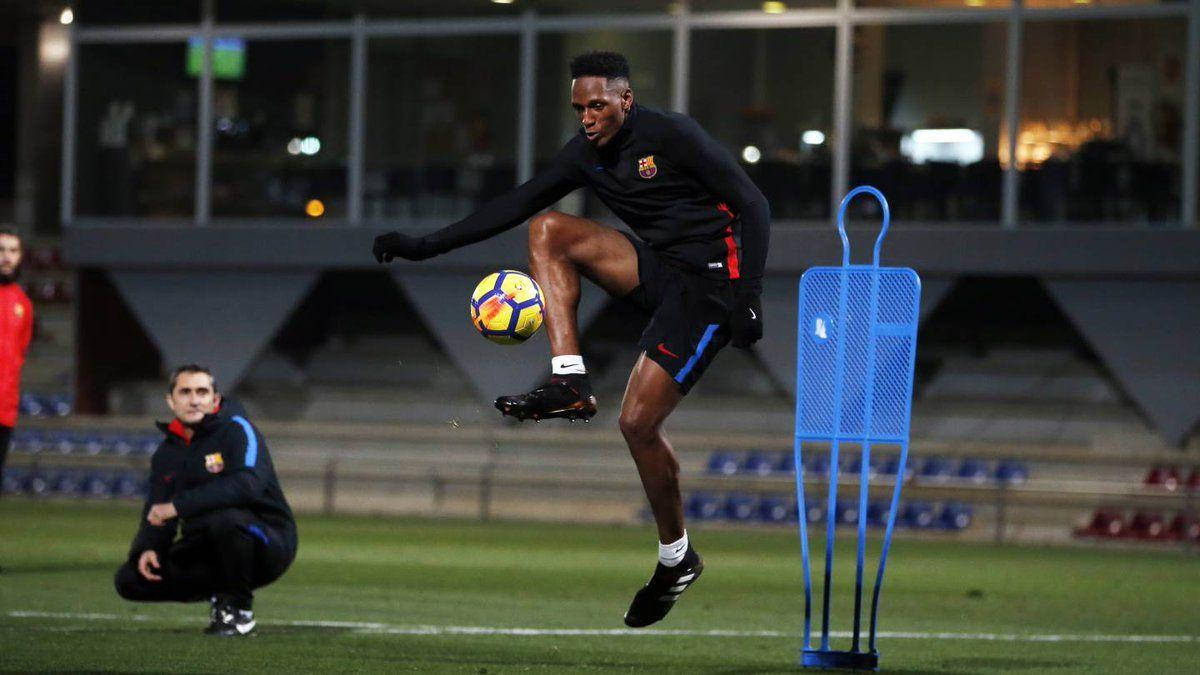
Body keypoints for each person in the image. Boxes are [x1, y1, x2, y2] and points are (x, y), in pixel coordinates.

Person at [372, 51, 769, 627]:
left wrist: (748, 295)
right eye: (579, 107)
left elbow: (753, 203)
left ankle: (676, 559)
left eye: (598, 105)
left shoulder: (673, 134)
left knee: (636, 424)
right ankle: (569, 380)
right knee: (547, 228)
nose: (587, 117)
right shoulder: (585, 155)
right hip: (658, 270)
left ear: (626, 101)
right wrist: (424, 246)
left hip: (711, 286)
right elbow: (513, 204)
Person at [114, 365, 297, 636]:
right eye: (185, 392)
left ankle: (238, 611)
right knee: (130, 579)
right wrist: (150, 545)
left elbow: (247, 485)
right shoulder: (167, 454)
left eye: (202, 391)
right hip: (208, 544)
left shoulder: (238, 430)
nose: (194, 399)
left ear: (214, 398)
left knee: (225, 520)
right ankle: (222, 591)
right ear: (171, 401)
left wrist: (178, 506)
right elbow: (156, 510)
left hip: (267, 541)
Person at [0, 228, 32, 495]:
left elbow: (17, 354)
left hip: (4, 408)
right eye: (1, 250)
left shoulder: (23, 303)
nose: (6, 257)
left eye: (12, 250)